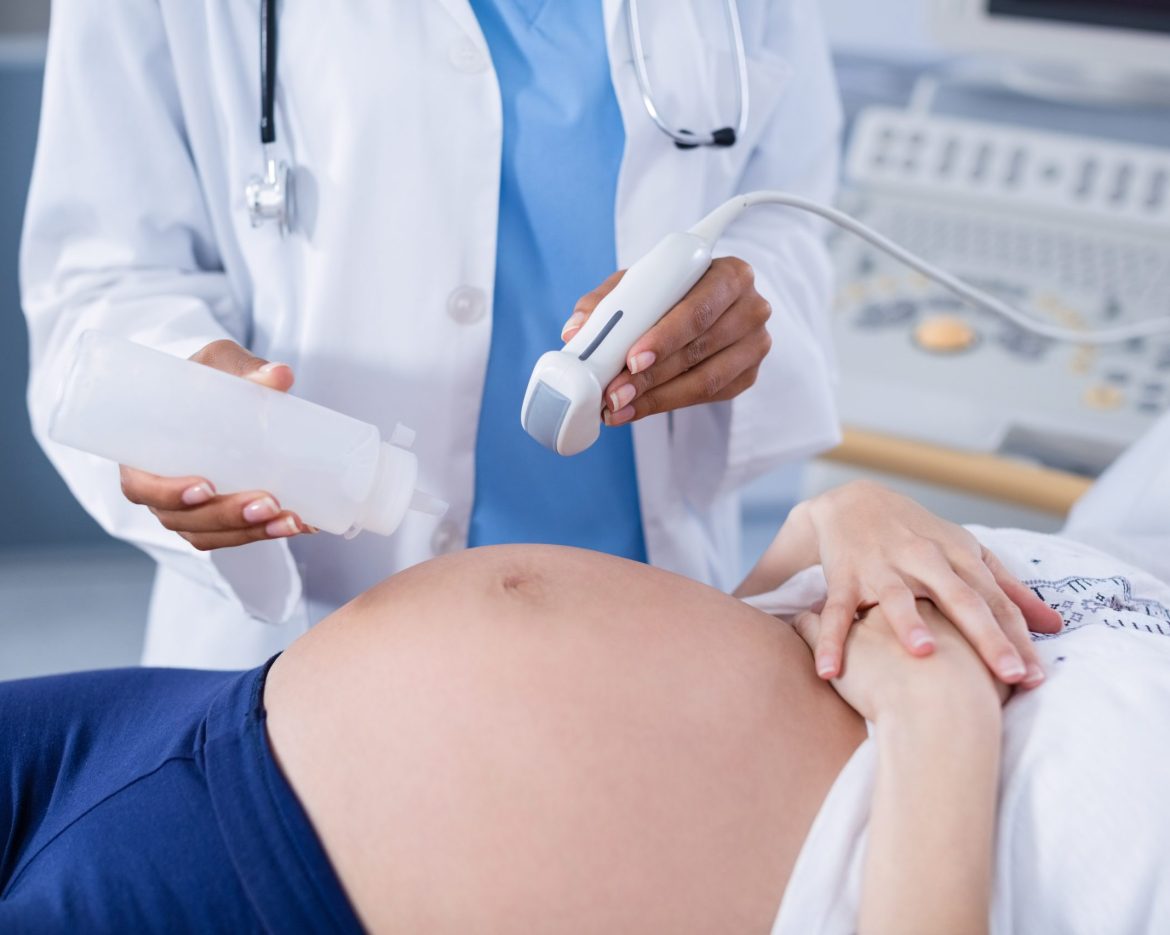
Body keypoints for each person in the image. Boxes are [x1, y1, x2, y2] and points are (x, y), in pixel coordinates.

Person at [21, 0, 847, 669]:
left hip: (652, 624)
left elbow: (796, 220)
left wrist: (739, 308)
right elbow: (103, 272)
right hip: (310, 642)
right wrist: (184, 397)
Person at [4, 468, 1168, 933]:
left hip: (268, 883)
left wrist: (938, 721)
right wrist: (841, 517)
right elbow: (761, 673)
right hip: (168, 717)